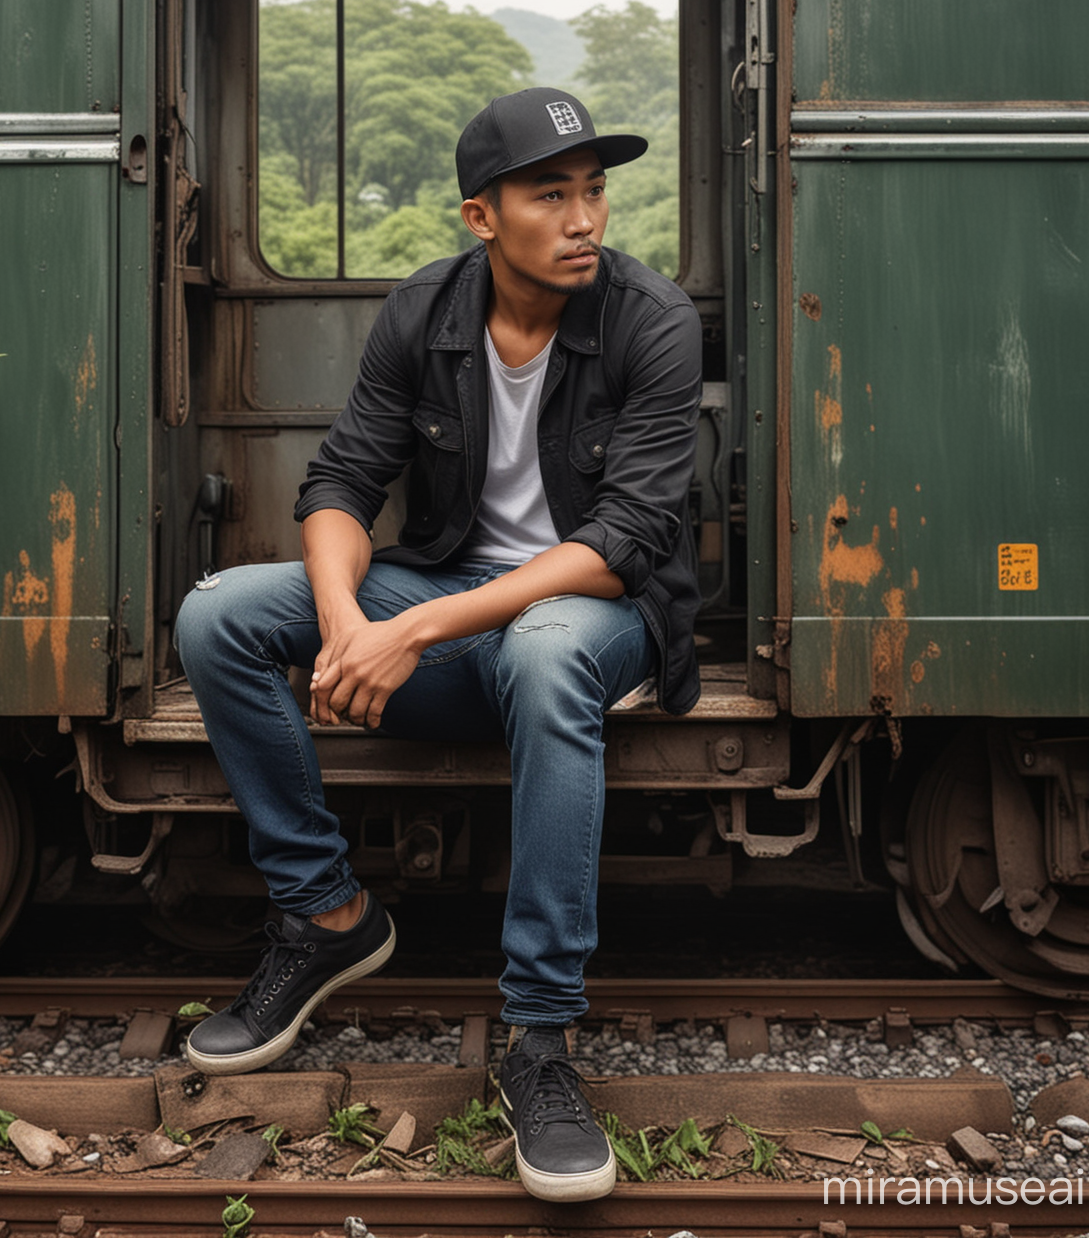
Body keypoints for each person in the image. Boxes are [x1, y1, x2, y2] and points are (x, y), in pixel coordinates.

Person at [174, 86, 702, 1203]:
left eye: (595, 191)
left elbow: (625, 541)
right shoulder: (425, 312)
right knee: (218, 611)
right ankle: (326, 918)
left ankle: (540, 1040)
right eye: (550, 194)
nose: (584, 219)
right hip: (457, 599)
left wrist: (407, 628)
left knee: (550, 645)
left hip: (590, 620)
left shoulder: (651, 321)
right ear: (481, 217)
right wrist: (346, 626)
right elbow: (342, 483)